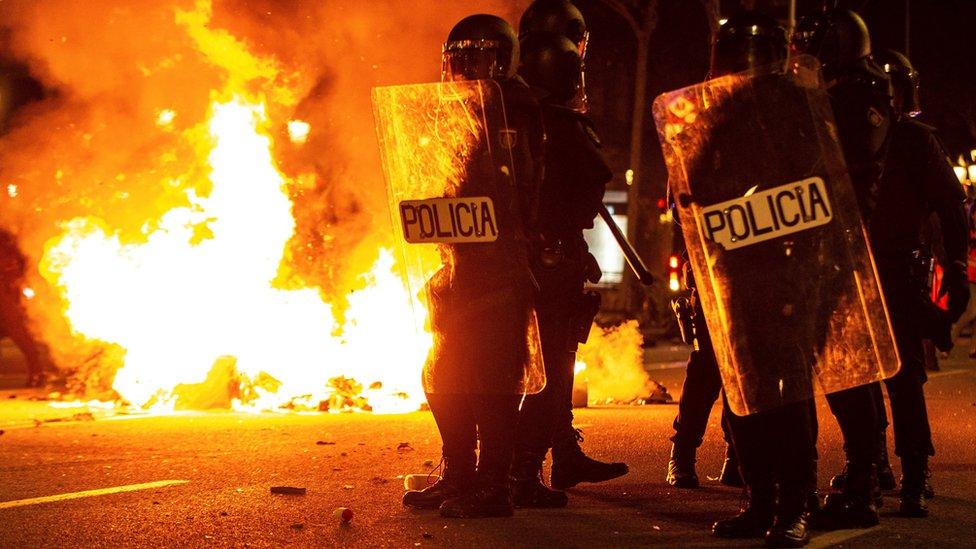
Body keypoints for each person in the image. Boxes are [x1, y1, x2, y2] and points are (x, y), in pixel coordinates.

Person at [664, 11, 820, 546]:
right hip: (729, 272)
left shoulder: (797, 110)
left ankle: (796, 503)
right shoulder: (710, 117)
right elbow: (690, 192)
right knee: (740, 391)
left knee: (789, 391)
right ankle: (758, 500)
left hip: (785, 270)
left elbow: (822, 193)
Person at [398, 14, 544, 518]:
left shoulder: (513, 110)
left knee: (492, 380)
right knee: (441, 374)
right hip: (458, 267)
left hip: (500, 267)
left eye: (474, 58)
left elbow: (515, 187)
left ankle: (492, 487)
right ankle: (459, 473)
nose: (463, 68)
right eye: (457, 59)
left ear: (500, 60)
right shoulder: (455, 112)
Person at [509, 0, 628, 509]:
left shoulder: (503, 111)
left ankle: (558, 451)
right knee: (549, 365)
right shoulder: (553, 121)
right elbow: (588, 187)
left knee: (542, 362)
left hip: (517, 259)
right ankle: (523, 467)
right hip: (548, 258)